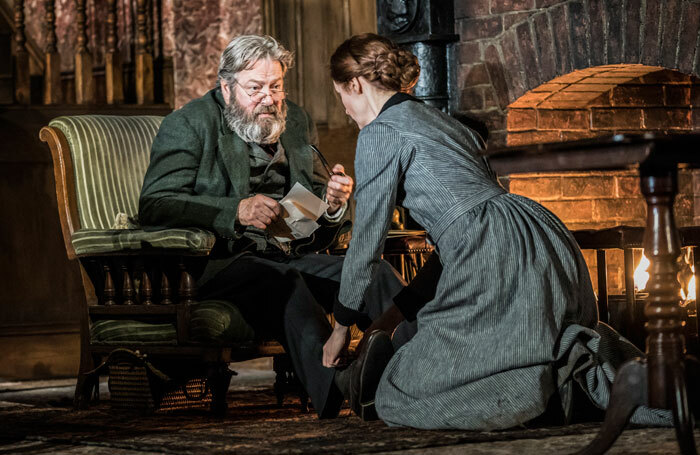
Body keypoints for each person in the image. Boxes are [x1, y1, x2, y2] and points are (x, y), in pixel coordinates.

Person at [322, 33, 669, 429]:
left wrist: (340, 327)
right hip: (535, 230)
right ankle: (574, 376)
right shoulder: (445, 122)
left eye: (341, 97)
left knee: (400, 393)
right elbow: (453, 244)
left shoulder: (380, 132)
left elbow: (367, 241)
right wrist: (389, 319)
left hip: (490, 247)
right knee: (527, 343)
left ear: (355, 84)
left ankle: (551, 396)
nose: (346, 112)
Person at [138, 34, 405, 419]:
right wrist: (235, 210)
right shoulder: (189, 124)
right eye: (255, 88)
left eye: (276, 86)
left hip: (291, 252)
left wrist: (330, 205)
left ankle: (424, 370)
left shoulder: (295, 119)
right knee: (283, 283)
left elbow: (315, 205)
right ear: (227, 88)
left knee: (373, 273)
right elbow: (155, 204)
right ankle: (336, 389)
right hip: (223, 262)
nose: (269, 98)